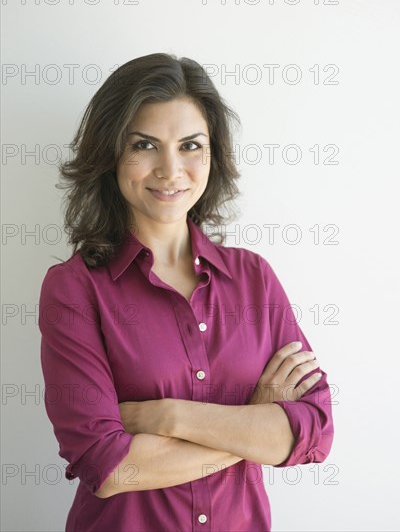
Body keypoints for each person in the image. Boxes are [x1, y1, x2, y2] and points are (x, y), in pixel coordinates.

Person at [38, 53, 334, 532]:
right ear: (111, 153)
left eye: (191, 145)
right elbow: (108, 466)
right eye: (145, 145)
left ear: (212, 154)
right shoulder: (75, 289)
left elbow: (313, 433)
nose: (170, 169)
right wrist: (253, 422)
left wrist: (170, 417)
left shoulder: (254, 277)